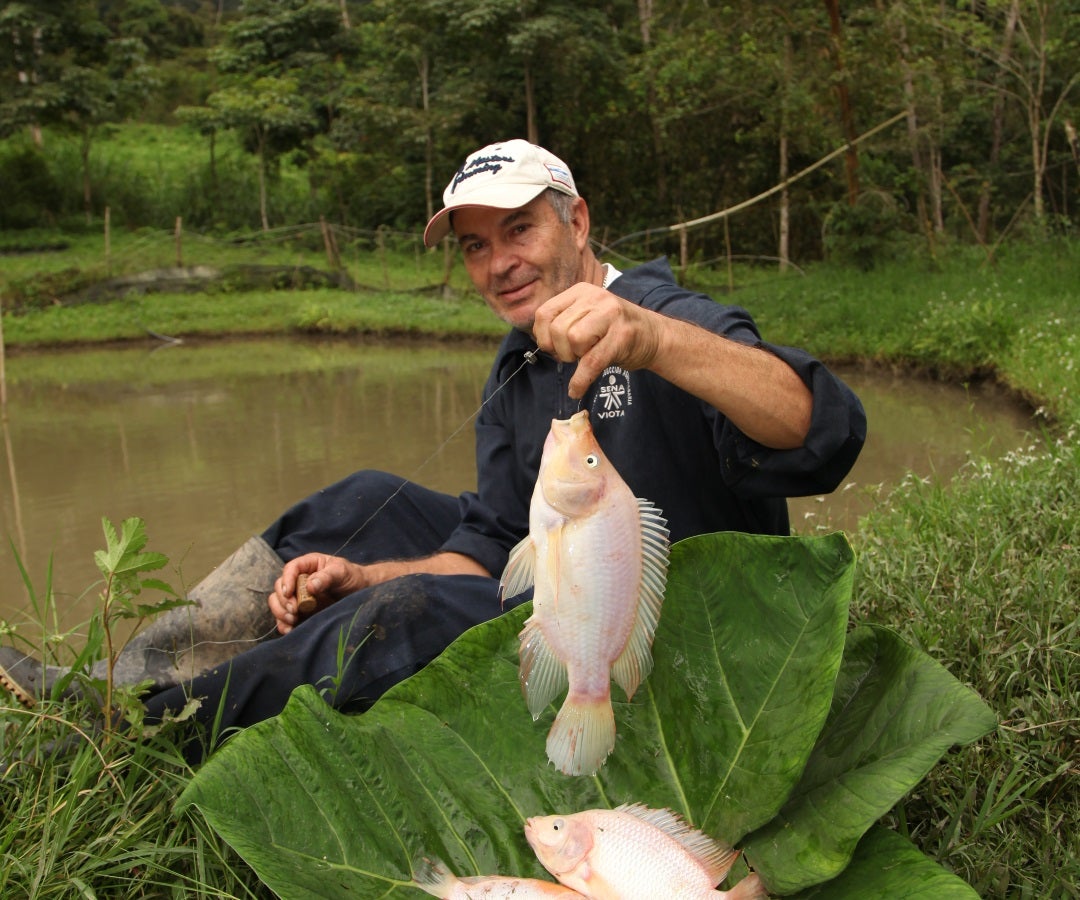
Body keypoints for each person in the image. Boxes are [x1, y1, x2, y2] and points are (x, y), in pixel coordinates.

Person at [0, 140, 866, 759]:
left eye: (518, 230)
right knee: (354, 507)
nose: (498, 265)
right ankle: (122, 676)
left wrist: (652, 339)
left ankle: (137, 736)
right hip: (553, 584)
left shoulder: (671, 317)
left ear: (577, 221)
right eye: (475, 247)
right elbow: (492, 546)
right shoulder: (517, 362)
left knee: (409, 611)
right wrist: (361, 573)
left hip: (656, 640)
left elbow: (821, 430)